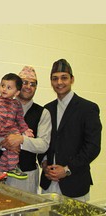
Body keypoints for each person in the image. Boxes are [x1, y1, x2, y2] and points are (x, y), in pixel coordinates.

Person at [39, 59, 102, 201]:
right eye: (55, 78)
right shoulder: (47, 109)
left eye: (64, 77)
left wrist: (67, 170)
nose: (59, 82)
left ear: (72, 79)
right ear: (51, 82)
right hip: (48, 183)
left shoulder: (88, 108)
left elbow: (92, 147)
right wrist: (44, 164)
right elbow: (43, 141)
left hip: (75, 184)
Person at [0, 66, 51, 194]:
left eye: (33, 84)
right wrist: (6, 143)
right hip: (0, 173)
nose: (28, 87)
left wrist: (20, 140)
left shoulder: (43, 113)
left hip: (26, 176)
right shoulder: (0, 106)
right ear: (18, 86)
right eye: (25, 82)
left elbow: (43, 145)